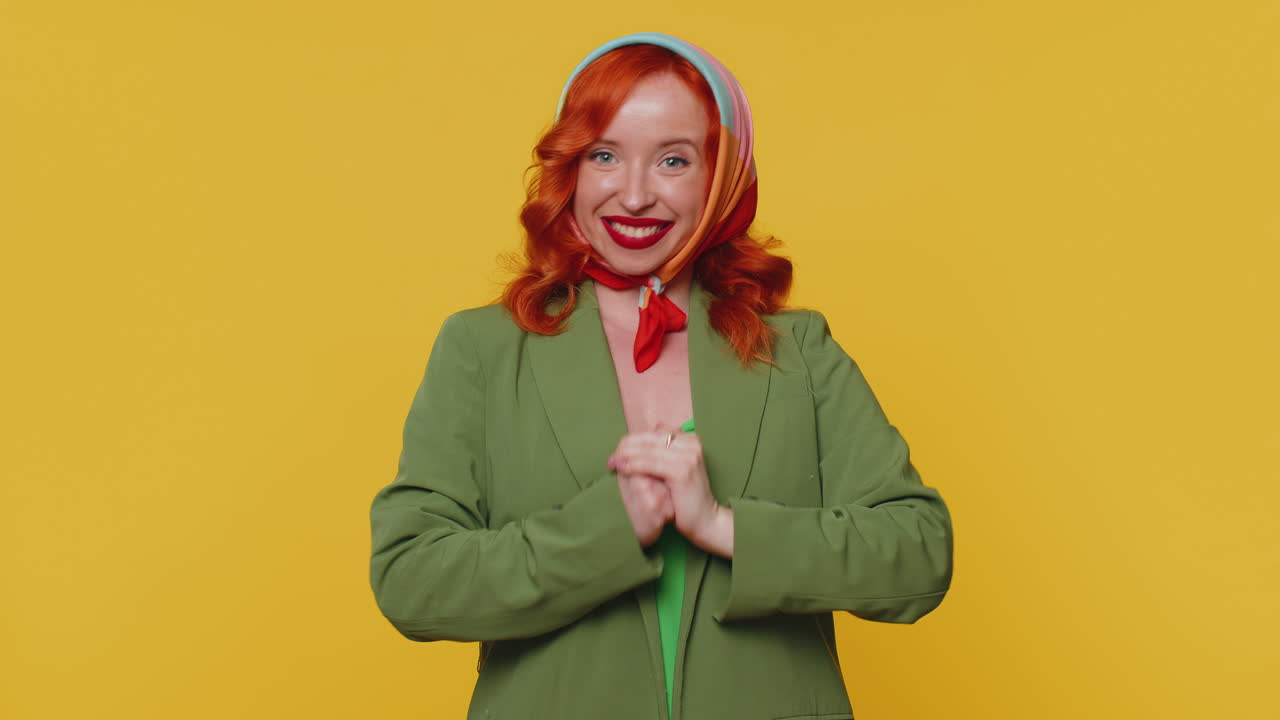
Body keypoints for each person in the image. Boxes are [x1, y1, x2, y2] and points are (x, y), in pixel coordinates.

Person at [368, 32, 953, 720]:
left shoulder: (799, 351)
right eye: (604, 155)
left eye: (673, 160)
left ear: (722, 177)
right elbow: (410, 579)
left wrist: (722, 525)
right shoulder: (484, 349)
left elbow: (918, 554)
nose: (635, 194)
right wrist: (607, 528)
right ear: (571, 170)